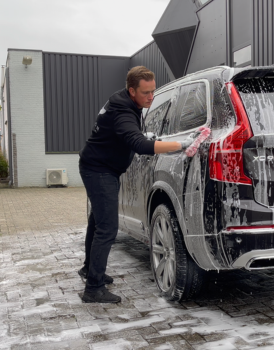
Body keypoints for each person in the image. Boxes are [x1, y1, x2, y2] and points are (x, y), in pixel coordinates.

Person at [78, 66, 194, 303]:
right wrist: (180, 145)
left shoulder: (127, 102)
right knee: (107, 228)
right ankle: (93, 288)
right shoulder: (123, 111)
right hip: (99, 171)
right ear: (132, 91)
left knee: (97, 221)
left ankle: (89, 269)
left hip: (98, 166)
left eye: (153, 91)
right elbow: (139, 144)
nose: (151, 97)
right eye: (146, 93)